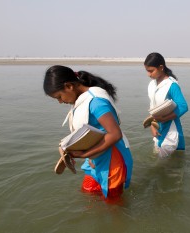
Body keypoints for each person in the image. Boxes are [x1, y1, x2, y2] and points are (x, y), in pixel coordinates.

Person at [43, 65, 133, 202]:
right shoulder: (81, 99)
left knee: (113, 205)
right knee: (88, 194)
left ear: (69, 86)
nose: (60, 102)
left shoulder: (96, 102)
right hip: (94, 158)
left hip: (112, 161)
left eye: (59, 97)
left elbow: (115, 134)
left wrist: (85, 154)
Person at [144, 52, 188, 158]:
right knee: (158, 158)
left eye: (151, 71)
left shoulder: (172, 85)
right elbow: (153, 107)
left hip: (171, 130)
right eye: (147, 71)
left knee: (162, 164)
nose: (148, 74)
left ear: (161, 67)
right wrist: (152, 126)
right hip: (158, 128)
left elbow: (183, 106)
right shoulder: (152, 84)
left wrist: (164, 119)